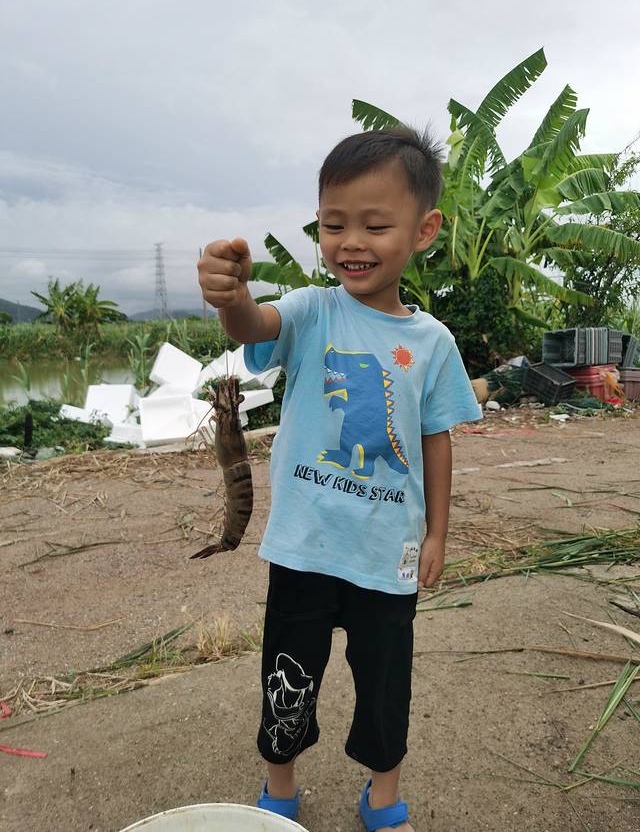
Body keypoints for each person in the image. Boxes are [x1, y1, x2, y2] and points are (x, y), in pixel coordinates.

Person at [197, 125, 482, 832]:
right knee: (287, 675)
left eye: (375, 225)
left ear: (424, 230)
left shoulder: (433, 342)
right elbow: (250, 324)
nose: (351, 242)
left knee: (386, 684)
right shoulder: (310, 309)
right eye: (333, 225)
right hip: (303, 547)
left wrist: (437, 534)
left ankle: (383, 797)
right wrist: (229, 294)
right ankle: (280, 786)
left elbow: (436, 439)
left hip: (388, 554)